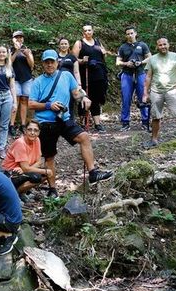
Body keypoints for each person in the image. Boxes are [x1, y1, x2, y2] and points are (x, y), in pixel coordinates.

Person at [28, 50, 113, 188]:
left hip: (64, 118)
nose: (49, 65)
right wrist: (49, 105)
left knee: (84, 137)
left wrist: (84, 97)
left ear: (57, 62)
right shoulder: (37, 81)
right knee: (49, 156)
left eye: (52, 62)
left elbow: (76, 93)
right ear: (43, 64)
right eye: (46, 62)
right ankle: (52, 189)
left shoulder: (66, 76)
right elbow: (31, 104)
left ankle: (93, 173)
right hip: (45, 122)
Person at [142, 38, 176, 147]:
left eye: (164, 44)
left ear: (168, 45)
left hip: (172, 91)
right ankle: (154, 140)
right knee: (156, 117)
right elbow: (148, 77)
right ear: (157, 47)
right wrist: (145, 93)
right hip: (156, 92)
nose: (163, 47)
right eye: (160, 45)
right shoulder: (152, 59)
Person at [73, 25, 109, 132]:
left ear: (93, 31)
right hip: (85, 74)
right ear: (82, 32)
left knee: (96, 98)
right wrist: (82, 61)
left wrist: (104, 53)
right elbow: (73, 59)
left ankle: (97, 123)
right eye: (85, 30)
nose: (87, 32)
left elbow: (103, 57)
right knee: (84, 96)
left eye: (89, 30)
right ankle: (83, 122)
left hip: (98, 74)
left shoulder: (98, 42)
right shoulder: (79, 43)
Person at [1, 120, 49, 199]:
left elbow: (39, 161)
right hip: (10, 173)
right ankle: (14, 195)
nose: (32, 133)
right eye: (30, 130)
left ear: (39, 132)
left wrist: (25, 169)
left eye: (35, 130)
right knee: (38, 176)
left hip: (23, 170)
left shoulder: (37, 140)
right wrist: (27, 169)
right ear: (25, 131)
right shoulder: (20, 143)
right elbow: (26, 168)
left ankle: (22, 192)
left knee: (44, 174)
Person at [116, 27, 151, 132]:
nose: (130, 35)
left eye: (131, 33)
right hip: (127, 74)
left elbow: (150, 57)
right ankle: (125, 122)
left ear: (135, 33)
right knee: (126, 98)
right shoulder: (123, 47)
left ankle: (145, 122)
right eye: (128, 34)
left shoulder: (142, 45)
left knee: (142, 97)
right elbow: (118, 62)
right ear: (125, 35)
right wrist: (126, 63)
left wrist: (141, 62)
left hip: (140, 73)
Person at [9, 30, 34, 137]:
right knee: (15, 100)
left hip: (26, 79)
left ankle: (23, 124)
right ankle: (11, 124)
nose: (19, 39)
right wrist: (16, 50)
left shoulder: (27, 49)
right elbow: (9, 63)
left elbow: (32, 65)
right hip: (15, 79)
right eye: (16, 37)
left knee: (24, 100)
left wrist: (27, 55)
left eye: (20, 37)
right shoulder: (10, 50)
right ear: (13, 39)